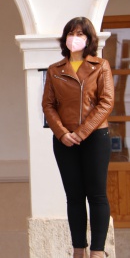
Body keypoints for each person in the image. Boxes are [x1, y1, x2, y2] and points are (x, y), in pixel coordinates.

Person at [42, 17, 114, 258]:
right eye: (72, 33)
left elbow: (106, 103)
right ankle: (78, 250)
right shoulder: (55, 70)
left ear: (89, 39)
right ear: (65, 38)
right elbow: (48, 105)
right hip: (64, 141)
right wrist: (63, 133)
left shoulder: (100, 66)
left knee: (96, 194)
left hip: (95, 137)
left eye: (81, 34)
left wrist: (81, 133)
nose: (76, 38)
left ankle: (97, 251)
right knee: (74, 196)